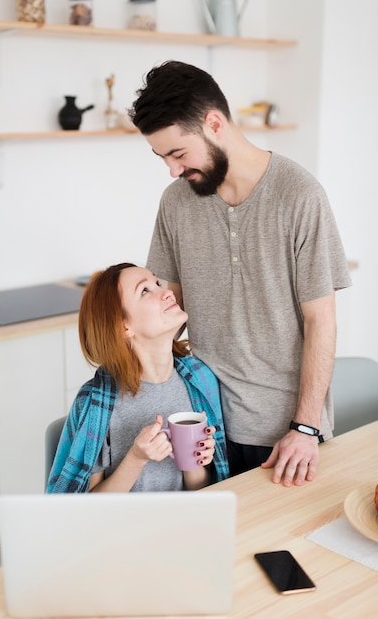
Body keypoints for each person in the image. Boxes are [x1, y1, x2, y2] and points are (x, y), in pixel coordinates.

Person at [129, 60, 352, 487]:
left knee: (286, 551)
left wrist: (305, 427)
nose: (173, 170)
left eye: (178, 154)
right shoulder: (176, 202)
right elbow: (166, 313)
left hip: (287, 436)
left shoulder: (300, 196)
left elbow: (321, 320)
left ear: (214, 123)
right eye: (162, 158)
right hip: (204, 425)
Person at [47, 263, 229, 493]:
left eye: (157, 283)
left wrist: (194, 460)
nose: (167, 292)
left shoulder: (200, 380)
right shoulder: (97, 402)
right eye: (145, 291)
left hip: (183, 522)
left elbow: (200, 491)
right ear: (124, 327)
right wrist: (136, 457)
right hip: (125, 528)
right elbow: (87, 510)